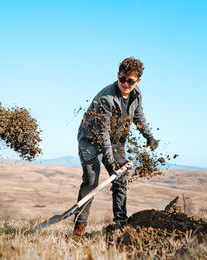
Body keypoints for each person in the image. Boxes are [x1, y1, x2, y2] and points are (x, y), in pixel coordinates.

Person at [73, 57, 158, 236]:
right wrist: (110, 162)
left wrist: (149, 136)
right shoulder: (106, 98)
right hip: (90, 140)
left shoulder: (136, 95)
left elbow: (138, 116)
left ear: (138, 80)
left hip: (116, 141)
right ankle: (80, 226)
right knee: (91, 179)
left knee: (120, 178)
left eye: (130, 81)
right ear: (118, 75)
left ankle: (120, 223)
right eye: (122, 79)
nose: (125, 84)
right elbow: (102, 132)